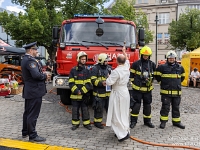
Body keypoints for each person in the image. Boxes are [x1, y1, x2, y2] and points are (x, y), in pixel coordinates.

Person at [21, 42, 50, 142]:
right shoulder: (30, 61)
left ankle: (25, 131)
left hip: (30, 90)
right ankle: (32, 135)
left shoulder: (27, 60)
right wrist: (45, 76)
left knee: (28, 112)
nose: (37, 51)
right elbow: (36, 76)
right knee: (33, 114)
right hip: (34, 91)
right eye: (35, 49)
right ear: (30, 50)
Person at [154, 50, 185, 129]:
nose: (171, 59)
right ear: (167, 58)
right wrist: (162, 83)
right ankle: (163, 122)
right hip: (166, 92)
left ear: (175, 58)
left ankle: (176, 122)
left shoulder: (180, 68)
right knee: (165, 107)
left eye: (172, 58)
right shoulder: (162, 67)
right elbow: (157, 76)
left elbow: (182, 77)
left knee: (176, 107)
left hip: (176, 93)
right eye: (169, 58)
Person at [106, 46, 130, 142]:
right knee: (124, 112)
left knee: (116, 114)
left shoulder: (116, 71)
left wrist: (108, 76)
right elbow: (127, 60)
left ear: (117, 61)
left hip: (117, 93)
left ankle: (122, 134)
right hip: (125, 92)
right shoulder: (126, 68)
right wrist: (124, 52)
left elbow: (109, 82)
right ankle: (124, 129)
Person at [129, 46, 156, 129]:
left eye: (147, 55)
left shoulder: (152, 64)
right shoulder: (136, 64)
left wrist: (150, 81)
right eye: (144, 55)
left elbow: (154, 75)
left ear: (149, 56)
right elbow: (131, 75)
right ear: (141, 55)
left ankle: (147, 121)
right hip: (137, 90)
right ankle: (133, 122)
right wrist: (135, 82)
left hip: (148, 90)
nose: (145, 56)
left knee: (147, 106)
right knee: (136, 106)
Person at [69, 51, 92, 131]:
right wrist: (76, 91)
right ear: (78, 59)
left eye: (85, 59)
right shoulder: (73, 70)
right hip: (75, 95)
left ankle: (86, 124)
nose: (84, 61)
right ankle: (75, 124)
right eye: (82, 59)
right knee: (75, 110)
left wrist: (81, 91)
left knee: (85, 110)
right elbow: (71, 83)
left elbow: (89, 83)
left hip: (84, 95)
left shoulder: (87, 71)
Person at [90, 53, 112, 129]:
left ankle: (109, 122)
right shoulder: (95, 68)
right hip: (98, 94)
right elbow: (92, 80)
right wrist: (101, 83)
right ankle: (97, 122)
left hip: (108, 94)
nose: (107, 62)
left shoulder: (109, 68)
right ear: (102, 61)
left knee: (109, 108)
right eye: (106, 61)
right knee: (99, 109)